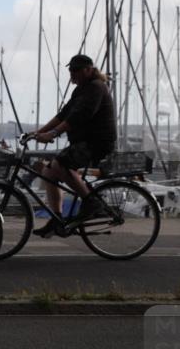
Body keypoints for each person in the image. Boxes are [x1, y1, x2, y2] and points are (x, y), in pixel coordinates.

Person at [30, 54, 116, 238]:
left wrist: (52, 134)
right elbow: (63, 115)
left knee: (61, 164)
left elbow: (78, 117)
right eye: (70, 71)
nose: (72, 75)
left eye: (75, 71)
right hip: (83, 143)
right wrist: (38, 133)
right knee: (49, 172)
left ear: (88, 69)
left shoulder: (96, 88)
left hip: (97, 143)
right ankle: (57, 218)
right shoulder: (81, 90)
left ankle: (92, 202)